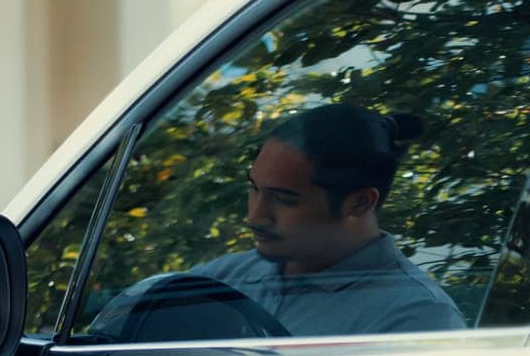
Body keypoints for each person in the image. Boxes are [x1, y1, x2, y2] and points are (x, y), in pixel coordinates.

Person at [97, 104, 465, 339]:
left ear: (359, 202)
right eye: (254, 189)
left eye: (284, 198)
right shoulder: (222, 280)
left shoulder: (416, 319)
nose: (254, 215)